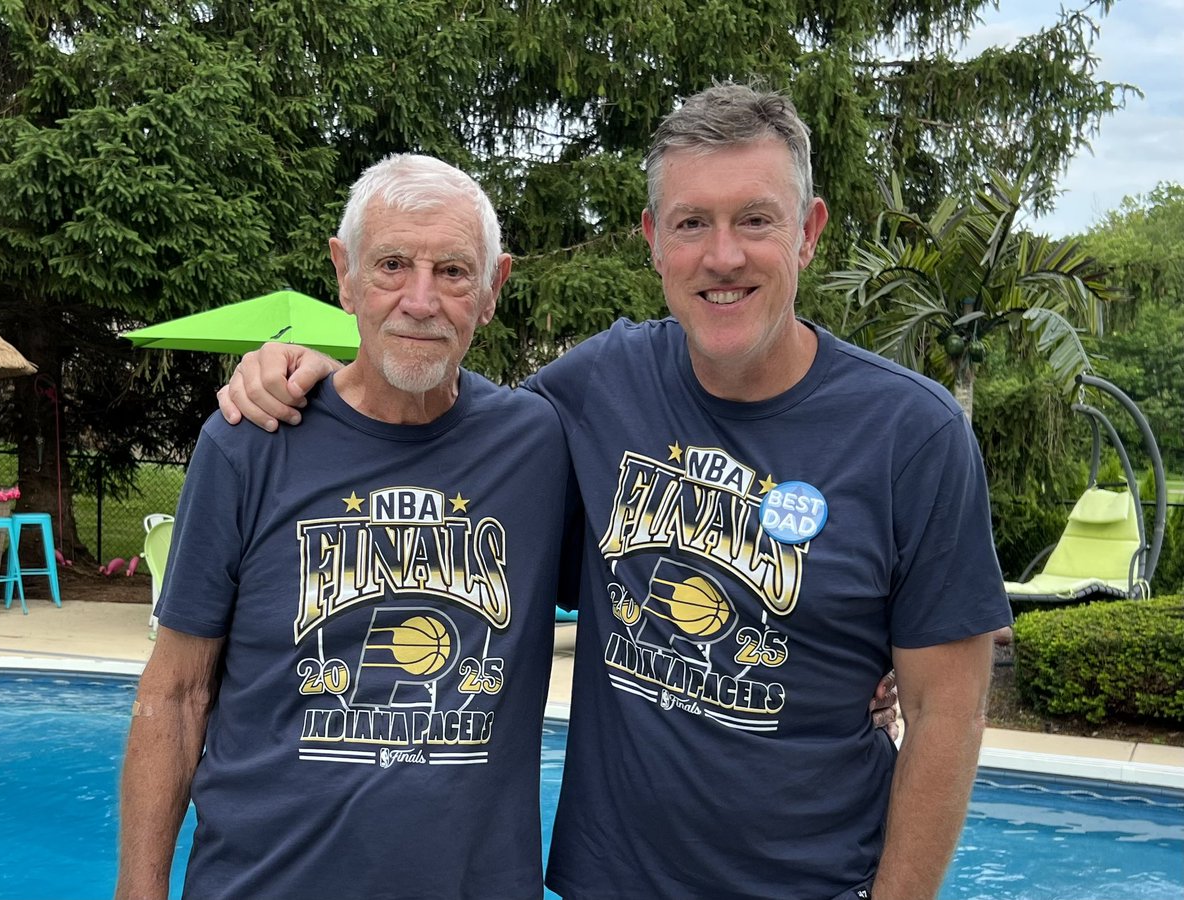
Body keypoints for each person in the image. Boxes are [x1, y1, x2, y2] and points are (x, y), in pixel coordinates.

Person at [219, 83, 1011, 899]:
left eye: (756, 220)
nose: (723, 255)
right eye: (692, 222)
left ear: (807, 232)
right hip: (611, 881)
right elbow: (439, 426)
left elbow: (947, 716)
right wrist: (310, 377)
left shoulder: (911, 436)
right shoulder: (598, 384)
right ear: (654, 241)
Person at [115, 154, 576, 900]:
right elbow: (175, 693)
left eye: (454, 272)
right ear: (345, 274)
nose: (420, 300)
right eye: (392, 265)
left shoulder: (539, 445)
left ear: (494, 289)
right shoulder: (248, 440)